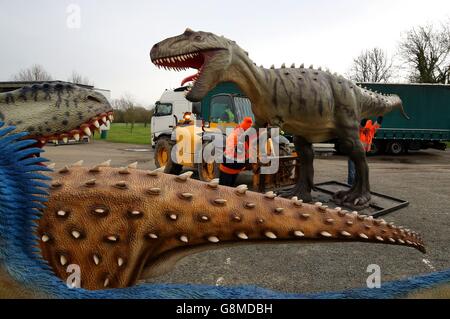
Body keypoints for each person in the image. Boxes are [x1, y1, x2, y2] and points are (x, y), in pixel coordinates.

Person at [348, 116, 383, 185]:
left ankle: (355, 185)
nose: (368, 129)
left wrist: (379, 120)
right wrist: (363, 122)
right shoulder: (359, 131)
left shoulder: (370, 132)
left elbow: (375, 127)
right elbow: (360, 127)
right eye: (366, 128)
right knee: (352, 171)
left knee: (358, 170)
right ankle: (350, 185)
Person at [219, 117, 254, 186]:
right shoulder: (236, 137)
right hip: (228, 168)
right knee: (224, 188)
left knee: (229, 189)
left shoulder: (245, 137)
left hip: (234, 169)